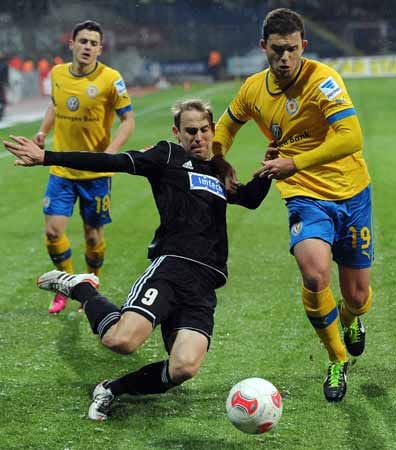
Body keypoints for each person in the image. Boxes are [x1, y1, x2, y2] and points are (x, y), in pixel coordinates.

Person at [4, 99, 271, 421]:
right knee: (121, 341)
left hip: (204, 284)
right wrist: (47, 157)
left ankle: (112, 389)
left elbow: (249, 199)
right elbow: (113, 161)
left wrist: (269, 170)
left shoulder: (217, 171)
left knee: (184, 367)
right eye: (190, 131)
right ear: (177, 133)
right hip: (172, 267)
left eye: (204, 130)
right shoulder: (167, 156)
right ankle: (83, 288)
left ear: (213, 130)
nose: (198, 137)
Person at [212, 8, 373, 402]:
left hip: (350, 192)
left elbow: (352, 138)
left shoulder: (323, 81)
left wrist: (293, 161)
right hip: (303, 195)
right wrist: (219, 158)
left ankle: (352, 321)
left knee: (356, 297)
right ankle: (336, 360)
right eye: (277, 50)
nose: (284, 59)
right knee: (315, 275)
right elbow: (227, 124)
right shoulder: (253, 89)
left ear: (304, 46)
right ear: (263, 47)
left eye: (292, 50)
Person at [33, 20, 135, 314]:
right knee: (53, 232)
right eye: (83, 41)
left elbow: (128, 119)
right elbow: (55, 105)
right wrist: (43, 131)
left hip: (96, 174)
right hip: (62, 170)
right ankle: (66, 286)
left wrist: (112, 153)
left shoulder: (110, 78)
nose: (87, 47)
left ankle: (91, 285)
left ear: (100, 49)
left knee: (92, 237)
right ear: (72, 44)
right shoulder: (58, 73)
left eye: (93, 43)